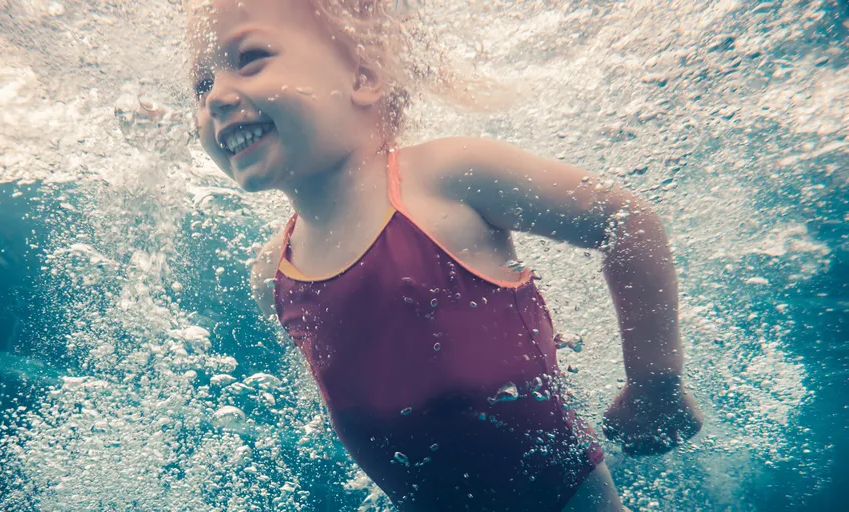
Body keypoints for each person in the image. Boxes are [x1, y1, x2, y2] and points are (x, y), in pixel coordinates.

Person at [188, 0, 704, 510]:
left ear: (363, 76)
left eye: (250, 57)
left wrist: (654, 383)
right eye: (201, 84)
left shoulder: (446, 177)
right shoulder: (271, 276)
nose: (216, 98)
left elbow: (626, 221)